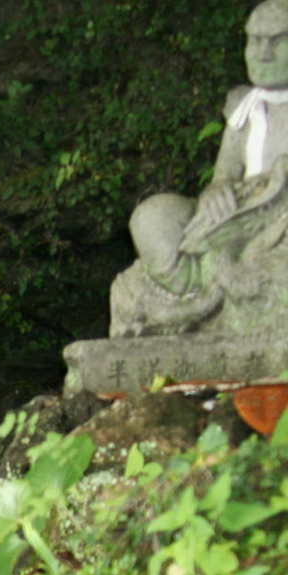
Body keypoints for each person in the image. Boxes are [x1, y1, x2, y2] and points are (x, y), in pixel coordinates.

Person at [112, 1, 288, 337]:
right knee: (151, 218)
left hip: (278, 226)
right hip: (236, 217)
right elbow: (225, 173)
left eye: (277, 41)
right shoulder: (244, 108)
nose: (263, 53)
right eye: (255, 40)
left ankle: (225, 281)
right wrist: (217, 189)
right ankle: (208, 282)